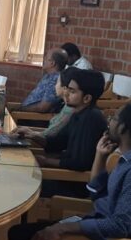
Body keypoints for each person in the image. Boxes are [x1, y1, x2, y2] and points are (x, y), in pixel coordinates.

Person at [0, 103, 131, 240]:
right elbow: (96, 194)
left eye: (114, 118)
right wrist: (100, 156)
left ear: (122, 128)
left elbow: (119, 226)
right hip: (95, 229)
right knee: (17, 233)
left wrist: (64, 228)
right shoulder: (123, 160)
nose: (110, 121)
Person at [22, 69, 107, 197]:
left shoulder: (91, 119)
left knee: (23, 181)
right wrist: (33, 135)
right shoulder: (78, 113)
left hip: (75, 184)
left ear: (87, 98)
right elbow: (58, 143)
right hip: (65, 175)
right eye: (66, 88)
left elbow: (79, 163)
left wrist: (46, 161)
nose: (65, 93)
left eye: (72, 91)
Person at [13, 67, 79, 139]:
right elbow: (48, 133)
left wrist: (31, 134)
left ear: (65, 88)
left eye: (57, 82)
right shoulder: (66, 105)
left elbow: (50, 136)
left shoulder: (69, 109)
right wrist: (30, 131)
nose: (55, 86)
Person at [17, 48, 68, 113]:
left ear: (52, 63)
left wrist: (21, 110)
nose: (43, 60)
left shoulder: (55, 80)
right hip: (22, 113)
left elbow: (42, 108)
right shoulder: (48, 76)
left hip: (30, 118)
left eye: (46, 58)